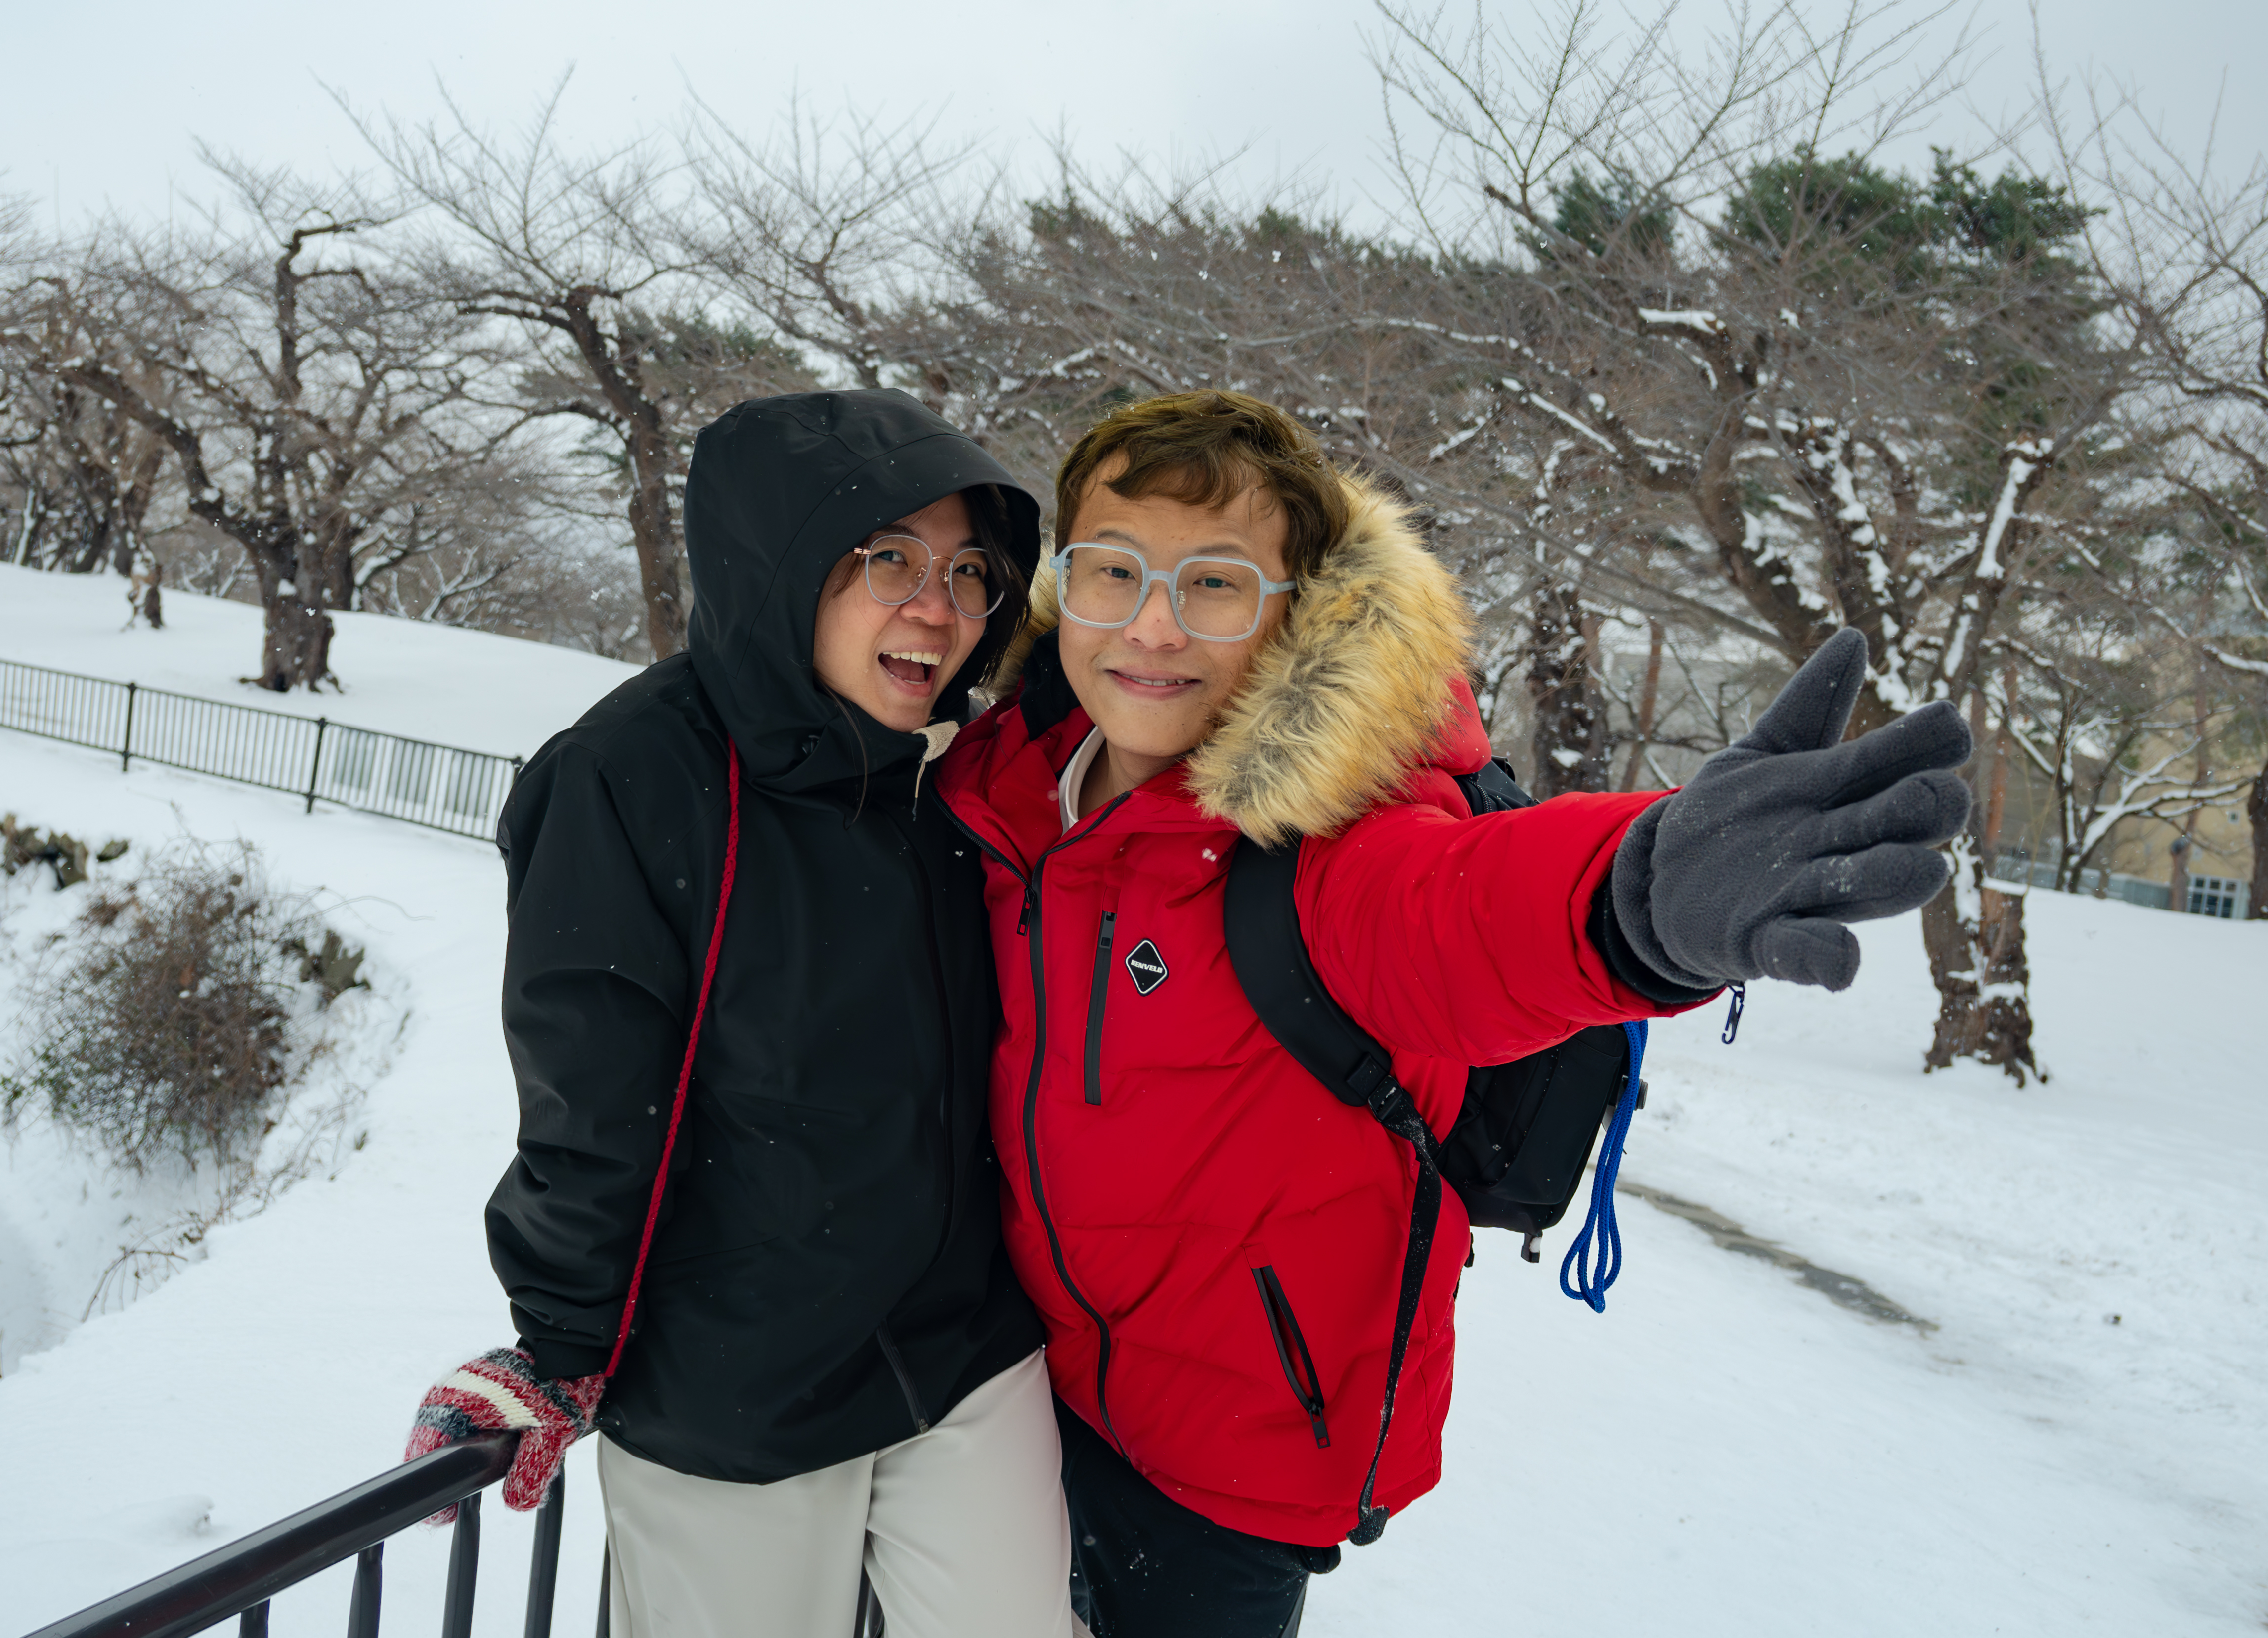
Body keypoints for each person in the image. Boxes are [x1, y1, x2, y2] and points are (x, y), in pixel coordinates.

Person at [933, 389, 1971, 1636]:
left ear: (1295, 613)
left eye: (1214, 584)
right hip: (1001, 1402)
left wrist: (1632, 897)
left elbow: (1465, 915)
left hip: (1232, 1456)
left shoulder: (1323, 846)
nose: (1151, 626)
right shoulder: (995, 786)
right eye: (1114, 572)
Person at [403, 389, 1079, 1638]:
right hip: (736, 1390)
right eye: (889, 559)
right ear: (786, 563)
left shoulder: (957, 772)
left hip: (964, 1352)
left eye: (971, 571)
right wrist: (556, 1344)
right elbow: (596, 1095)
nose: (935, 607)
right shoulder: (632, 777)